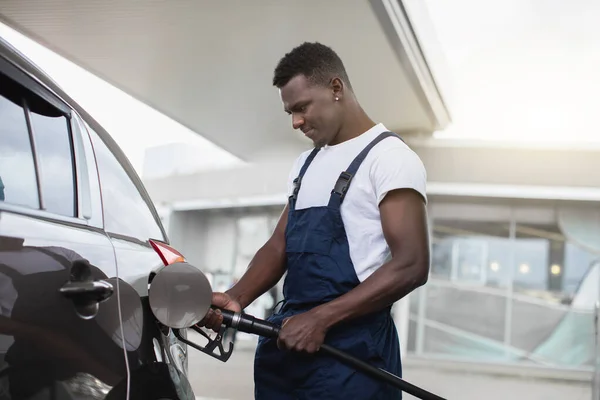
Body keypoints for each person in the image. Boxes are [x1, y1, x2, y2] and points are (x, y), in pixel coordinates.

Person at [199, 42, 430, 399]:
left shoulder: (390, 159)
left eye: (302, 108)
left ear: (336, 88)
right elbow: (280, 244)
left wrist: (321, 319)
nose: (296, 122)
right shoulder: (306, 165)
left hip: (352, 354)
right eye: (290, 112)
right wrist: (235, 297)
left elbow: (412, 264)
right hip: (288, 344)